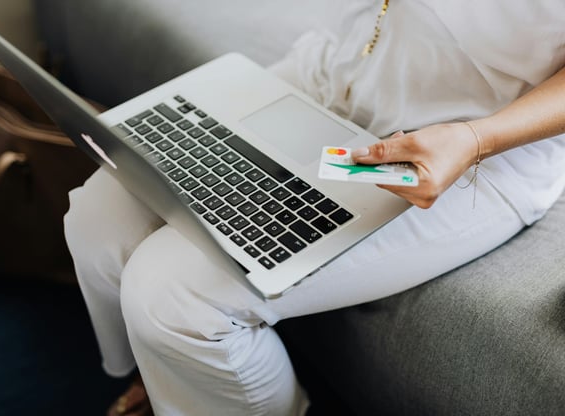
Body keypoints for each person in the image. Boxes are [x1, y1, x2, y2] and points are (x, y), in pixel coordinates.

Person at [63, 1, 565, 415]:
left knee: (171, 296)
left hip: (463, 141)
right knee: (98, 219)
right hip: (330, 73)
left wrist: (478, 138)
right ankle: (166, 381)